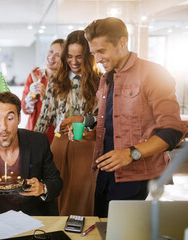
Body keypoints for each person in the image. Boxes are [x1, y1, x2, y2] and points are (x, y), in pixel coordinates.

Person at [84, 17, 185, 217]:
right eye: (94, 53)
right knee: (103, 227)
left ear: (122, 43)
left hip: (137, 176)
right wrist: (94, 132)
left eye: (101, 51)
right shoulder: (107, 77)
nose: (97, 59)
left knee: (125, 232)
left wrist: (130, 154)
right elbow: (116, 121)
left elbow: (172, 130)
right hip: (106, 172)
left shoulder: (154, 73)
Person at [34, 30, 101, 216]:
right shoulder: (56, 79)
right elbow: (45, 117)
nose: (74, 61)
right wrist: (30, 148)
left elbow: (103, 117)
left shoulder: (100, 80)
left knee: (82, 196)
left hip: (87, 145)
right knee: (56, 196)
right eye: (70, 56)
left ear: (88, 57)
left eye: (79, 56)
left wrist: (86, 122)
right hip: (59, 143)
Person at [21, 39, 64, 143]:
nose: (52, 56)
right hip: (32, 133)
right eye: (51, 51)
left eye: (58, 54)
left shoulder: (66, 81)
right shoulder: (35, 75)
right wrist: (33, 93)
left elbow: (63, 114)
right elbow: (26, 110)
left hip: (56, 138)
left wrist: (47, 98)